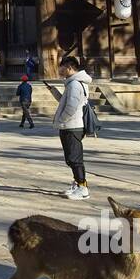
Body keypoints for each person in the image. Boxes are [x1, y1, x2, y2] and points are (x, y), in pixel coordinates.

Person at [51, 56, 92, 200]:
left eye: (61, 67)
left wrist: (61, 120)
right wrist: (54, 91)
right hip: (71, 125)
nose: (60, 70)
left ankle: (82, 187)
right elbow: (67, 101)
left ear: (69, 67)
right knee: (71, 158)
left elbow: (71, 107)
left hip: (72, 126)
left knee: (74, 158)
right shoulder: (72, 83)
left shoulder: (74, 84)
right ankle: (78, 183)